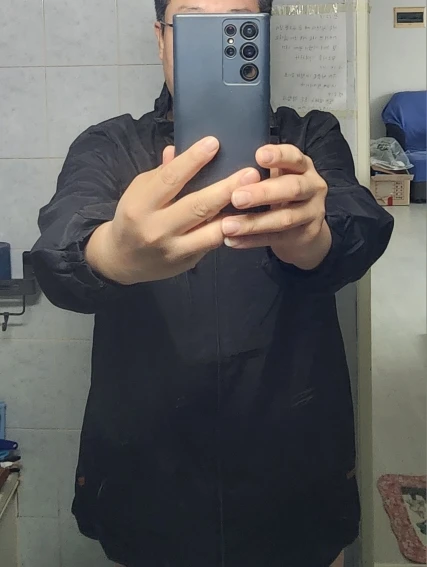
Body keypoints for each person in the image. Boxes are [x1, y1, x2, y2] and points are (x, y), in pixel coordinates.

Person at [31, 0, 394, 566]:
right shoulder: (110, 146)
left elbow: (359, 224)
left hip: (295, 472)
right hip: (149, 478)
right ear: (161, 38)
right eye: (193, 22)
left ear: (261, 37)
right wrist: (113, 253)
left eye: (236, 22)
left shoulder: (308, 138)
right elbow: (61, 242)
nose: (212, 38)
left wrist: (312, 240)